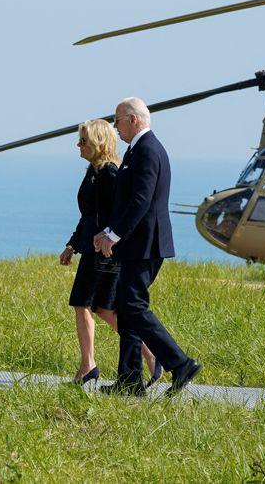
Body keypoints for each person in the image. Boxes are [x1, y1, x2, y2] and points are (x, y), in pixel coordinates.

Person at [94, 97, 201, 396]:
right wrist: (107, 232)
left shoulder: (148, 150)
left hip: (146, 244)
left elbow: (141, 200)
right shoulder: (137, 150)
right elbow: (128, 200)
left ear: (133, 119)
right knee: (126, 310)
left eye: (117, 120)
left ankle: (180, 364)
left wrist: (113, 235)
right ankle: (130, 381)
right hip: (137, 244)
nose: (115, 127)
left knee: (133, 306)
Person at [59, 119, 161, 386]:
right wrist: (72, 245)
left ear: (98, 143)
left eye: (84, 141)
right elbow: (88, 216)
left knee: (82, 304)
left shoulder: (109, 174)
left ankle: (88, 366)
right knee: (104, 308)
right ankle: (150, 353)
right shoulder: (93, 171)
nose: (78, 145)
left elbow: (116, 217)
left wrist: (107, 242)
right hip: (93, 248)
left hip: (102, 251)